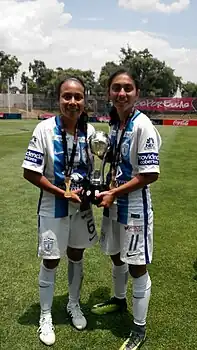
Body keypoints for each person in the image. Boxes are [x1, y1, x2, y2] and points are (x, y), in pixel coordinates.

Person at [22, 77, 98, 346]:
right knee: (52, 260)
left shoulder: (90, 133)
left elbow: (95, 170)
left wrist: (94, 190)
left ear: (84, 100)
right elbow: (30, 172)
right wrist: (61, 192)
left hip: (82, 208)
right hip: (53, 206)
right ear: (59, 100)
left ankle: (73, 304)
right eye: (67, 96)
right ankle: (45, 315)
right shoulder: (44, 129)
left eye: (78, 96)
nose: (73, 102)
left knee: (77, 256)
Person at [91, 69, 162, 350]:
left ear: (137, 94)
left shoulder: (142, 125)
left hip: (134, 208)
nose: (122, 93)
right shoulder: (116, 123)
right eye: (116, 88)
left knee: (136, 266)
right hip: (114, 204)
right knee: (116, 257)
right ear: (109, 92)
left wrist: (114, 193)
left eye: (127, 88)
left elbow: (149, 174)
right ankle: (119, 301)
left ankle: (138, 329)